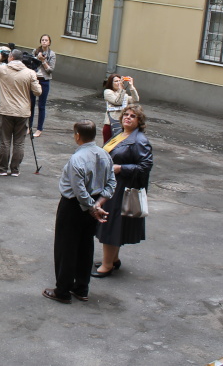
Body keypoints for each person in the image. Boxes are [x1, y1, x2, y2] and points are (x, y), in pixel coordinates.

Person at [43, 120, 115, 304]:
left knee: (66, 248)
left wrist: (92, 206)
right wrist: (98, 204)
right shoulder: (104, 155)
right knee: (85, 246)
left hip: (73, 206)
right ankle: (81, 288)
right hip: (94, 205)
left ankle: (63, 291)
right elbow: (111, 183)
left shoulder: (77, 159)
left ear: (77, 136)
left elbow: (79, 190)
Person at [93, 104, 153, 277]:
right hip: (113, 184)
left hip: (122, 187)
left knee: (110, 224)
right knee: (113, 224)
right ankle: (113, 259)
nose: (128, 117)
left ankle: (107, 265)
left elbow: (145, 166)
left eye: (133, 116)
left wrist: (121, 168)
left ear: (139, 121)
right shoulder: (121, 134)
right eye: (126, 114)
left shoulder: (140, 140)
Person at [0, 49, 41, 176]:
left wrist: (0, 57)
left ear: (10, 57)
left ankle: (2, 169)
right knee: (19, 142)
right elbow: (38, 92)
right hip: (23, 112)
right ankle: (15, 170)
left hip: (6, 111)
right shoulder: (30, 72)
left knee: (5, 141)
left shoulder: (3, 69)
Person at [30, 34, 57, 137]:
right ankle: (29, 127)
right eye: (42, 40)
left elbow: (50, 70)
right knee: (31, 104)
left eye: (46, 40)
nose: (44, 42)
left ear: (49, 42)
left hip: (44, 81)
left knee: (41, 106)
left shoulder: (52, 54)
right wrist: (36, 58)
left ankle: (39, 129)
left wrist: (43, 60)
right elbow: (31, 65)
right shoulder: (35, 51)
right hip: (34, 80)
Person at [103, 73, 140, 144]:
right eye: (116, 81)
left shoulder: (123, 93)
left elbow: (135, 99)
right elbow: (118, 102)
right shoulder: (108, 92)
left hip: (121, 124)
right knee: (108, 146)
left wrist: (131, 86)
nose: (118, 83)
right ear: (111, 83)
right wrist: (121, 90)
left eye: (120, 81)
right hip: (110, 124)